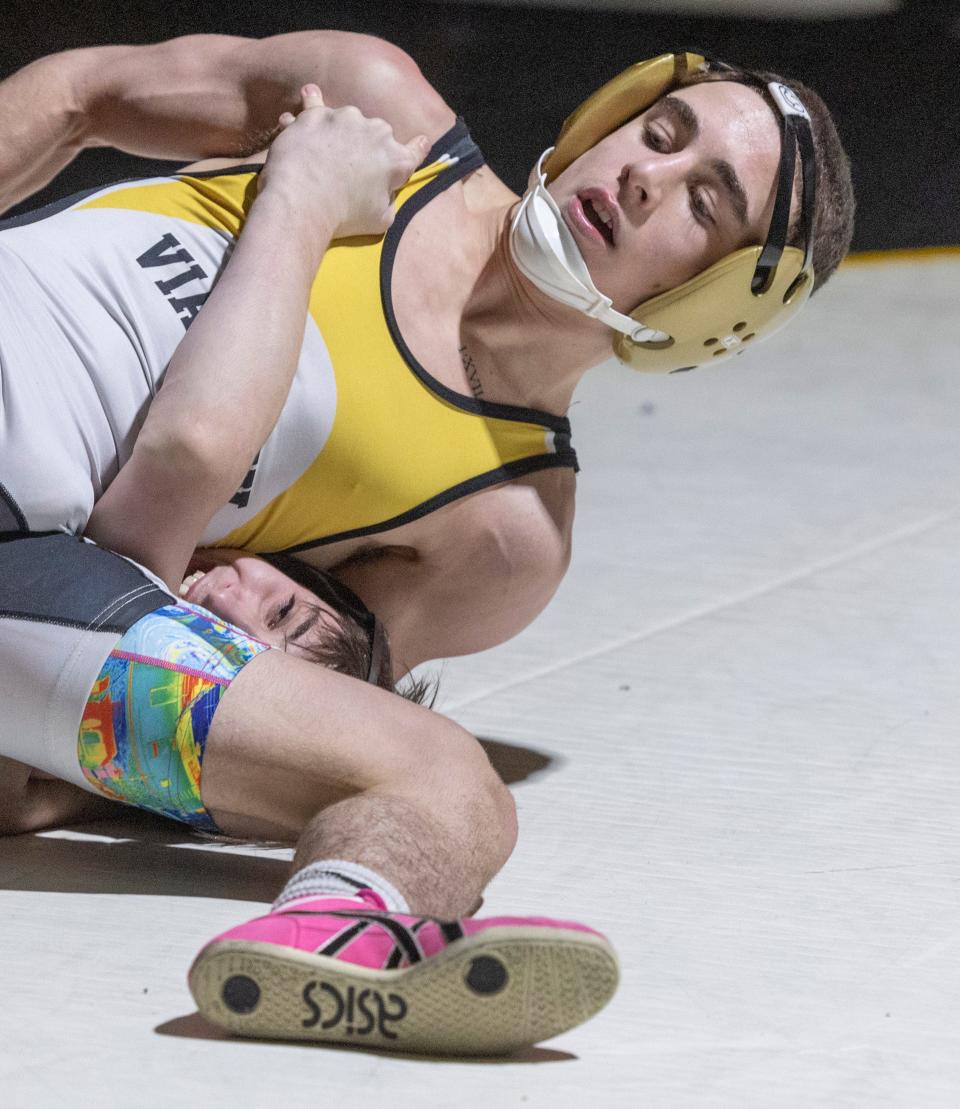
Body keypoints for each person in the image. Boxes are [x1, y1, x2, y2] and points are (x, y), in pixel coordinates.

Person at [0, 87, 618, 1054]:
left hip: (29, 551)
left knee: (443, 770)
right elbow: (81, 92)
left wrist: (299, 190)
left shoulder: (85, 596)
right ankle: (337, 922)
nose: (239, 601)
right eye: (285, 599)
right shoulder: (378, 112)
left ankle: (335, 930)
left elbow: (190, 462)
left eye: (268, 638)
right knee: (441, 771)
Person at [0, 35, 856, 677]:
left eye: (702, 203)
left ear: (710, 311)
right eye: (659, 135)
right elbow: (80, 95)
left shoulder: (505, 532)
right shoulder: (380, 108)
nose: (644, 176)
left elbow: (217, 701)